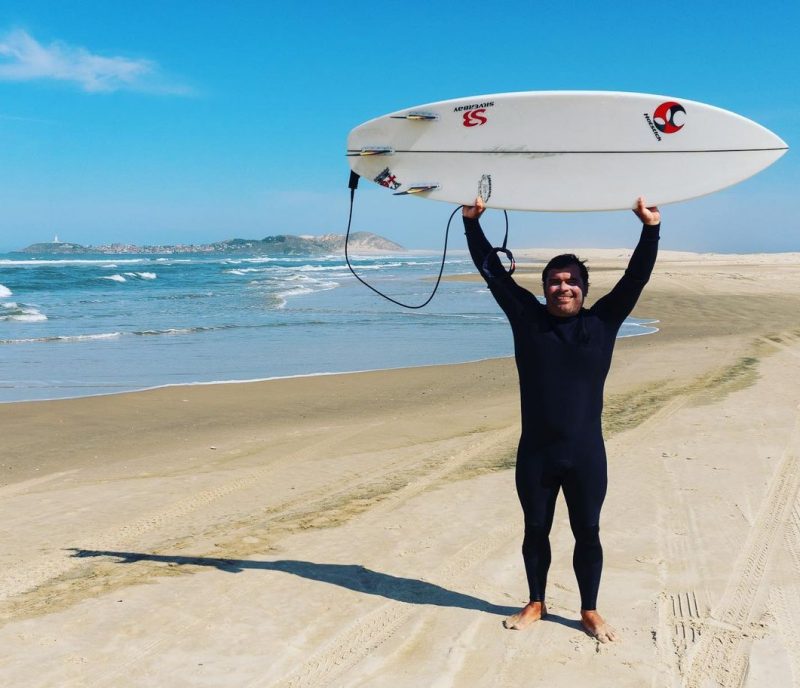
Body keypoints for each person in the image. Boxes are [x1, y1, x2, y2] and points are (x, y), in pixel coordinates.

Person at [462, 196, 660, 641]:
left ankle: (589, 610)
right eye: (554, 281)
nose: (563, 287)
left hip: (587, 454)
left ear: (584, 289)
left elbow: (636, 277)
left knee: (587, 531)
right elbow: (493, 273)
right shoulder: (527, 319)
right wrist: (472, 224)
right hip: (536, 453)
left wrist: (650, 229)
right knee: (535, 529)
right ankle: (536, 601)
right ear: (544, 287)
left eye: (571, 281)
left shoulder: (603, 323)